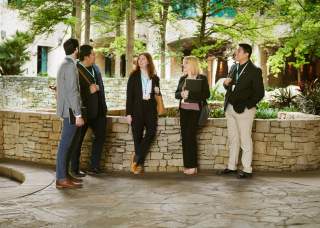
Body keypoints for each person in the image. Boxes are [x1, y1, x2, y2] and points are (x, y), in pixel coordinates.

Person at [220, 43, 265, 178]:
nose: (236, 52)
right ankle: (232, 166)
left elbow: (260, 93)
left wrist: (247, 105)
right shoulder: (234, 67)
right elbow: (229, 85)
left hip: (245, 110)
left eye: (239, 51)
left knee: (245, 139)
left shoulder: (254, 70)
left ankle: (247, 169)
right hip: (230, 108)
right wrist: (225, 84)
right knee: (233, 139)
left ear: (246, 54)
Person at [71, 44, 107, 176]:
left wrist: (104, 108)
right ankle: (74, 168)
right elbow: (72, 92)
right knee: (77, 141)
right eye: (93, 54)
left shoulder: (96, 68)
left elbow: (101, 88)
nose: (95, 56)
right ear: (86, 57)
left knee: (100, 137)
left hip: (99, 112)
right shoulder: (75, 70)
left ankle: (94, 166)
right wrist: (88, 90)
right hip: (84, 112)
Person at [55, 38, 84, 189]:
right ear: (76, 50)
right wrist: (78, 114)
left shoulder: (64, 64)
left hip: (67, 110)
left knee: (69, 144)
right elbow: (72, 92)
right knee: (65, 145)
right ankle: (61, 178)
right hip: (71, 111)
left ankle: (65, 175)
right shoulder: (70, 66)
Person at [126, 53, 160, 175]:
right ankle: (138, 165)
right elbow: (129, 96)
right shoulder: (133, 76)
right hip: (137, 109)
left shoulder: (155, 77)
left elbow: (158, 96)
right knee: (137, 137)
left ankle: (136, 157)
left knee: (151, 132)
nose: (140, 61)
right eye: (139, 59)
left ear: (148, 61)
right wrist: (128, 113)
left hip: (150, 109)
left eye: (143, 59)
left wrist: (157, 91)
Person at [175, 56, 210, 175]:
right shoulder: (182, 78)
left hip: (196, 111)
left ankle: (193, 166)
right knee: (185, 137)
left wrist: (191, 94)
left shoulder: (202, 78)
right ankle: (188, 165)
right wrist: (182, 94)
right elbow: (176, 94)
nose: (183, 65)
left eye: (185, 63)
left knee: (190, 136)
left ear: (191, 64)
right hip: (184, 110)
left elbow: (206, 94)